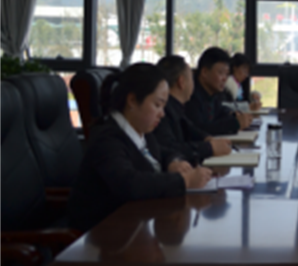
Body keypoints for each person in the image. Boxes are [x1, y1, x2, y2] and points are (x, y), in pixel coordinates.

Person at [69, 63, 213, 233]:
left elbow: (162, 151)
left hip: (135, 224)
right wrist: (185, 181)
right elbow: (130, 184)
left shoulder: (141, 131)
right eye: (157, 105)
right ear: (132, 100)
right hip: (104, 235)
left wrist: (173, 162)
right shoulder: (107, 139)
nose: (162, 113)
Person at [153, 55, 232, 166]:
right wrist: (209, 148)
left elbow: (190, 128)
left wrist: (207, 139)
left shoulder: (176, 107)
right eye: (191, 78)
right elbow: (169, 147)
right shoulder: (163, 111)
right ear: (181, 82)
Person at [185, 47, 253, 135]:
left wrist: (235, 115)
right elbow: (198, 130)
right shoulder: (190, 94)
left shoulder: (213, 93)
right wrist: (234, 124)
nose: (225, 79)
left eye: (227, 74)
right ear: (204, 72)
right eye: (221, 73)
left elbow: (221, 112)